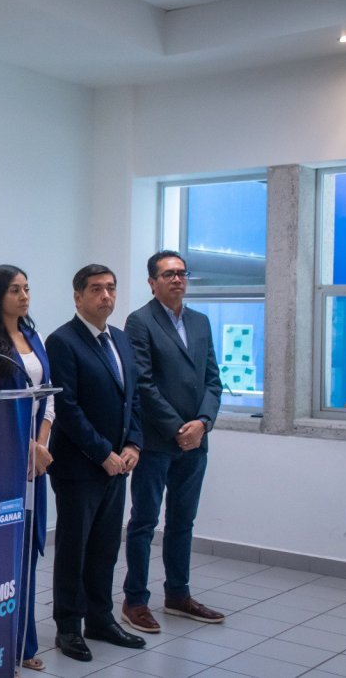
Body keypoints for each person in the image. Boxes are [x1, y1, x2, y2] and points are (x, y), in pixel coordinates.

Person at [44, 263, 146, 662]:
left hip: (118, 465)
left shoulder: (120, 339)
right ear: (78, 296)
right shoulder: (62, 341)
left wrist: (134, 443)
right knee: (74, 549)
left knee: (105, 547)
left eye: (111, 288)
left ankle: (101, 619)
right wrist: (103, 453)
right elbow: (67, 408)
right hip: (79, 467)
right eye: (96, 289)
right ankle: (69, 626)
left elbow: (133, 398)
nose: (106, 295)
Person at [122, 251, 224, 634]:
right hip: (156, 443)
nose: (177, 279)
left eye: (182, 273)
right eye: (168, 274)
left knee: (183, 522)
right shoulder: (140, 322)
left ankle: (178, 595)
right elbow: (144, 385)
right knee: (144, 523)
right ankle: (135, 600)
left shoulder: (200, 322)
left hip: (195, 444)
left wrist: (203, 423)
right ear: (152, 282)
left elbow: (213, 380)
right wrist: (179, 429)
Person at [0, 264, 54, 671]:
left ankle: (24, 644)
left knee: (28, 555)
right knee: (5, 555)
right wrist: (27, 450)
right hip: (4, 462)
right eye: (15, 290)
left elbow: (48, 397)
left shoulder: (33, 336)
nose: (24, 296)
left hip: (36, 459)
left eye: (27, 288)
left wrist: (41, 445)